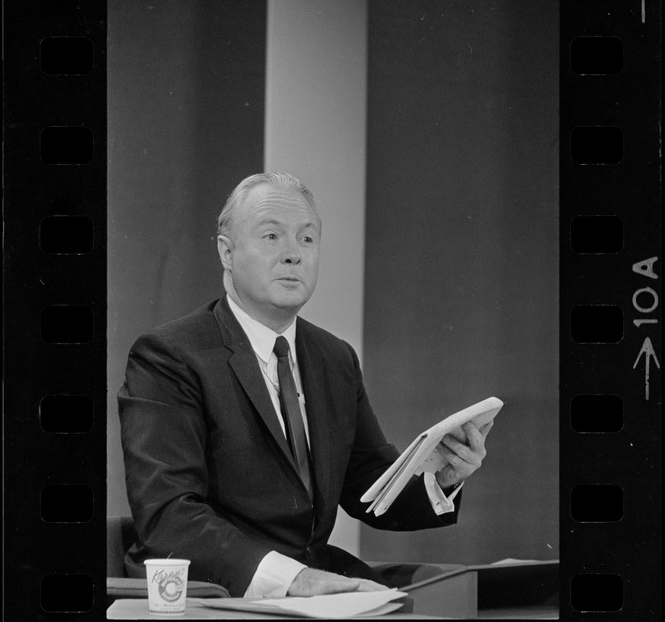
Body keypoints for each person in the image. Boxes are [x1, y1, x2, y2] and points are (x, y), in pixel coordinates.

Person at [118, 172, 492, 598]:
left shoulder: (334, 357)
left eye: (307, 240)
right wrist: (293, 580)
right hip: (217, 591)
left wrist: (441, 476)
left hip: (316, 585)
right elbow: (169, 517)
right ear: (227, 252)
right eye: (272, 236)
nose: (293, 255)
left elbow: (368, 487)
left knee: (471, 599)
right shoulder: (170, 356)